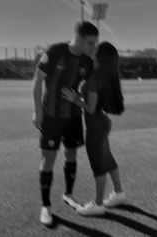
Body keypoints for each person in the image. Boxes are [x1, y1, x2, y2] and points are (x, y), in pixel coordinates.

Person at [32, 21, 99, 225]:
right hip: (51, 116)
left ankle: (68, 194)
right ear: (77, 38)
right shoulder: (56, 51)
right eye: (90, 43)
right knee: (49, 159)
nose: (93, 47)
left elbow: (92, 87)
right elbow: (37, 81)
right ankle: (46, 206)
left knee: (71, 153)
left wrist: (78, 100)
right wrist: (37, 111)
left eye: (95, 43)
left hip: (73, 117)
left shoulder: (87, 62)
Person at [62, 41, 127, 216]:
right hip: (102, 124)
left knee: (98, 166)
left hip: (96, 127)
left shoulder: (94, 77)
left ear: (100, 57)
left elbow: (90, 107)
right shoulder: (102, 75)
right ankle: (119, 193)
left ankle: (98, 204)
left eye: (96, 50)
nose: (93, 50)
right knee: (107, 159)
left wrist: (75, 99)